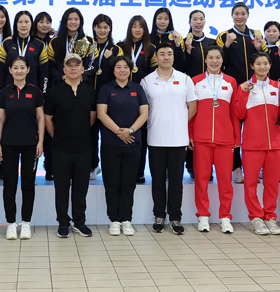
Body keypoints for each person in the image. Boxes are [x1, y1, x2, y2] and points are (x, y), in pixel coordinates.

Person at [142, 43, 197, 235]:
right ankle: (159, 216)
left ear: (174, 57)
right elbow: (143, 109)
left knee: (176, 182)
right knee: (157, 180)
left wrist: (180, 122)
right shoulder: (147, 81)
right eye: (162, 54)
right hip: (155, 138)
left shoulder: (185, 79)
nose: (166, 57)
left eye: (169, 54)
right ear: (156, 58)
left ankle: (175, 217)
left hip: (178, 139)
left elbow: (192, 107)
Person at [232, 53, 280, 236]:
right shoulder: (244, 86)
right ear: (252, 66)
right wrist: (244, 92)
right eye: (258, 64)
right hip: (252, 144)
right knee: (251, 183)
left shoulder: (278, 87)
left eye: (265, 63)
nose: (262, 67)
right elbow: (239, 114)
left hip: (276, 144)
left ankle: (270, 217)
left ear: (270, 65)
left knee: (272, 184)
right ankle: (255, 217)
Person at [45, 53, 96, 238]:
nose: (73, 68)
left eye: (76, 65)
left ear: (82, 69)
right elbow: (48, 119)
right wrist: (59, 136)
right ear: (64, 69)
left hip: (83, 147)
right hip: (61, 148)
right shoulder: (54, 92)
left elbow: (92, 117)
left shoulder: (90, 91)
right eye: (69, 65)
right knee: (61, 187)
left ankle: (79, 222)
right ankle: (63, 222)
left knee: (81, 187)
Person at [188, 45, 238, 233]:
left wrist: (236, 136)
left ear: (222, 60)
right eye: (211, 57)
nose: (214, 61)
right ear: (206, 60)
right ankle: (203, 216)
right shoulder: (195, 81)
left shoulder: (231, 82)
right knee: (201, 180)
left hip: (225, 140)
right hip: (201, 139)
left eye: (218, 57)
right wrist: (190, 135)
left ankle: (225, 217)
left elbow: (234, 112)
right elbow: (191, 111)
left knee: (225, 181)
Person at [97, 55, 149, 236]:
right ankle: (114, 219)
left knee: (128, 184)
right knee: (112, 183)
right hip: (111, 143)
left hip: (133, 144)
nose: (122, 70)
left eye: (125, 67)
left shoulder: (137, 88)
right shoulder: (106, 89)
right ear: (113, 70)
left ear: (130, 69)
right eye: (118, 67)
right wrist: (120, 132)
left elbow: (144, 113)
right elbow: (101, 114)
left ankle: (126, 219)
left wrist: (130, 131)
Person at [0, 56, 45, 240]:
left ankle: (25, 223)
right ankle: (10, 223)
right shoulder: (5, 92)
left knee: (28, 184)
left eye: (22, 67)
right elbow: (0, 118)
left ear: (28, 70)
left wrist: (40, 142)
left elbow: (40, 118)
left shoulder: (35, 91)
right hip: (8, 143)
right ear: (10, 70)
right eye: (15, 67)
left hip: (31, 144)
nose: (19, 71)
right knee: (9, 184)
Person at [218, 2, 266, 184]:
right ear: (232, 15)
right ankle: (236, 168)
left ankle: (257, 167)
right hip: (235, 89)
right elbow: (219, 62)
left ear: (248, 15)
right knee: (235, 130)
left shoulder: (256, 34)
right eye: (236, 13)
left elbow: (264, 61)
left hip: (255, 88)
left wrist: (259, 49)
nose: (239, 17)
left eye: (243, 14)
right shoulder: (225, 35)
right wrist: (227, 45)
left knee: (256, 129)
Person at [121, 15, 157, 184]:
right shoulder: (121, 46)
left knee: (140, 135)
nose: (137, 29)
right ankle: (122, 171)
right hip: (122, 96)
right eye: (134, 26)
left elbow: (153, 74)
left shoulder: (152, 49)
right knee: (123, 131)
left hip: (143, 96)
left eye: (140, 26)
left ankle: (140, 171)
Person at [86, 13, 121, 179]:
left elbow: (121, 70)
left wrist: (111, 58)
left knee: (108, 133)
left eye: (105, 27)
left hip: (108, 97)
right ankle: (92, 165)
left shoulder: (115, 48)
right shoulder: (87, 45)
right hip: (88, 95)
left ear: (110, 29)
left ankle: (110, 167)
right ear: (94, 28)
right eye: (99, 27)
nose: (102, 30)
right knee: (90, 133)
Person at [0, 10, 47, 91]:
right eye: (20, 22)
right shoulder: (7, 43)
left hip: (33, 91)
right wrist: (1, 91)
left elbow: (44, 72)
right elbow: (1, 71)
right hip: (10, 90)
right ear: (16, 24)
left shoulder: (39, 45)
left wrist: (43, 92)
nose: (23, 25)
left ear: (31, 24)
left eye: (26, 22)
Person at [34, 11, 55, 179]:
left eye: (48, 22)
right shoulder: (30, 41)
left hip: (51, 90)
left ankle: (49, 166)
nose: (44, 25)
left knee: (48, 130)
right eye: (41, 21)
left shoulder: (54, 41)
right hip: (33, 90)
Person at [182, 9, 218, 78]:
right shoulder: (184, 42)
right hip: (191, 81)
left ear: (204, 22)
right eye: (195, 19)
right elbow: (181, 67)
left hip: (210, 81)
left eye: (201, 19)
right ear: (189, 23)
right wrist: (188, 50)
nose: (198, 22)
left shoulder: (212, 42)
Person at [151, 7, 185, 71]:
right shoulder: (148, 38)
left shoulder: (176, 37)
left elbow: (182, 63)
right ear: (155, 20)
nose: (162, 21)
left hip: (172, 74)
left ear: (170, 21)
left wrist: (178, 45)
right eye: (159, 18)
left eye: (166, 19)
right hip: (153, 75)